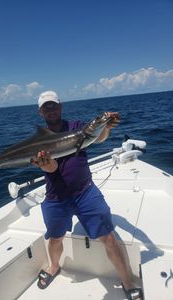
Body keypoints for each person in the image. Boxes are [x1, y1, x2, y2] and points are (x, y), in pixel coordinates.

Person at [31, 90, 143, 300]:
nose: (51, 109)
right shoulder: (40, 141)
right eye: (46, 107)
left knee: (109, 237)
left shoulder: (76, 127)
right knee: (55, 238)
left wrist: (106, 126)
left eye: (54, 105)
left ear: (61, 106)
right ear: (40, 112)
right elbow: (52, 168)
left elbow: (96, 138)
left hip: (85, 192)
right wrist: (46, 165)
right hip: (56, 197)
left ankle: (128, 283)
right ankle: (54, 266)